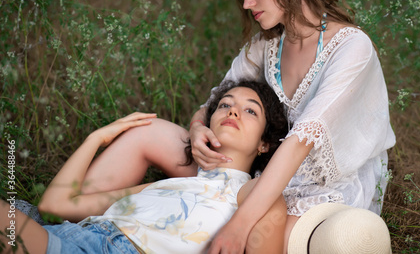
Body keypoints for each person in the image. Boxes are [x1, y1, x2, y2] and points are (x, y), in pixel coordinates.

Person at [77, 0, 396, 253]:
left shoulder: (352, 48)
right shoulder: (266, 45)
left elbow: (301, 142)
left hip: (322, 188)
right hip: (254, 167)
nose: (246, 3)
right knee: (148, 131)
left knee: (277, 234)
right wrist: (197, 127)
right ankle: (72, 213)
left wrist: (239, 225)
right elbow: (211, 103)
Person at [0, 80, 289, 254]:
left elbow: (272, 201)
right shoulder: (160, 187)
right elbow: (55, 206)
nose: (233, 110)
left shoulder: (249, 191)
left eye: (251, 110)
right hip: (75, 236)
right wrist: (95, 138)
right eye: (225, 105)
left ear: (264, 144)